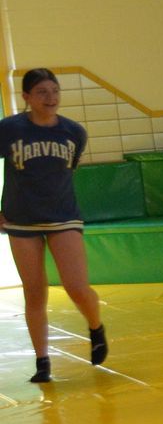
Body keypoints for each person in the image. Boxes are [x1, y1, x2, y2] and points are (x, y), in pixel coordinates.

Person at [1, 69, 108, 385]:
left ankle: (95, 326)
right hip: (22, 218)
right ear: (27, 98)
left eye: (55, 91)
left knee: (76, 285)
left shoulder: (73, 132)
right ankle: (42, 361)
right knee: (34, 292)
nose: (50, 98)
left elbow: (66, 172)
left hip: (63, 216)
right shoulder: (9, 129)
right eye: (42, 92)